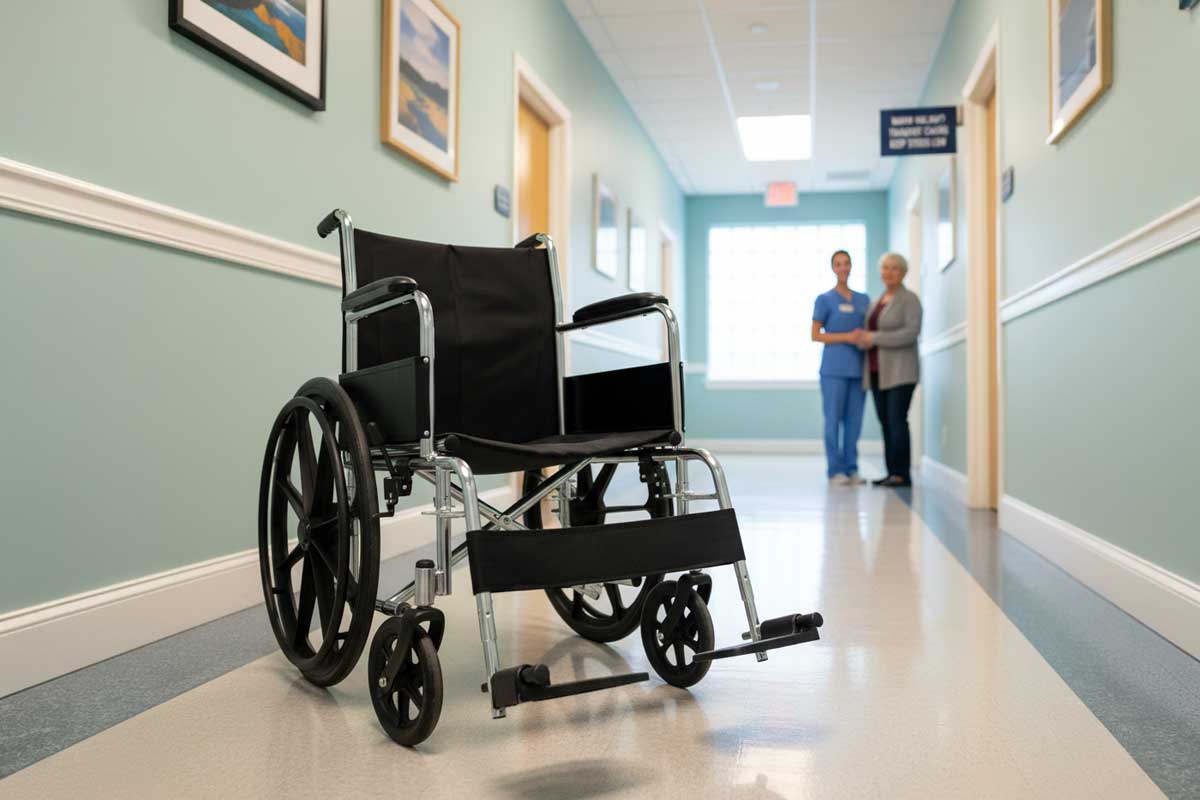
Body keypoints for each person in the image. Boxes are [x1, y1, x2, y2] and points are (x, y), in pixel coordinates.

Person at [856, 252, 923, 488]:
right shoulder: (877, 301)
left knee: (897, 421)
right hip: (877, 373)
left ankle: (902, 474)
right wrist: (864, 340)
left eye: (895, 268)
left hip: (901, 373)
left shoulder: (909, 299)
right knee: (885, 422)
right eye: (885, 267)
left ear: (903, 273)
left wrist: (874, 337)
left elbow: (911, 332)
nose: (889, 272)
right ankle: (892, 472)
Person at [812, 250, 870, 485]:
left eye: (846, 263)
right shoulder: (825, 299)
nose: (843, 267)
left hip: (858, 370)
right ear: (833, 268)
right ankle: (835, 470)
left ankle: (852, 468)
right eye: (838, 264)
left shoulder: (863, 300)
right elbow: (815, 335)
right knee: (833, 420)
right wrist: (847, 337)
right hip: (833, 370)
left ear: (851, 266)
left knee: (854, 423)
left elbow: (868, 330)